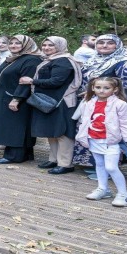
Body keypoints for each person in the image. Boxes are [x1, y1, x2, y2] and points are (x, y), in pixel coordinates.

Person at [73, 34, 127, 168]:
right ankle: (92, 164)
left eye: (109, 43)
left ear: (117, 45)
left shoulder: (126, 62)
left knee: (109, 135)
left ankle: (111, 167)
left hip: (111, 107)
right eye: (101, 42)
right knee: (91, 131)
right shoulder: (92, 60)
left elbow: (126, 86)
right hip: (90, 104)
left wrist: (99, 93)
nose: (104, 45)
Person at [21, 36, 82, 174]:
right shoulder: (50, 60)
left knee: (62, 132)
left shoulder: (63, 61)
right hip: (50, 100)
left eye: (51, 46)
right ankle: (54, 159)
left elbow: (56, 81)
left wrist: (32, 81)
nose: (47, 48)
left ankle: (65, 164)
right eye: (45, 45)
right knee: (52, 132)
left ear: (59, 47)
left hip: (62, 101)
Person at [76, 77, 127, 207]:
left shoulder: (120, 104)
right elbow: (84, 120)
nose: (101, 91)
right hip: (93, 138)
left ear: (115, 89)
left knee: (111, 167)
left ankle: (123, 194)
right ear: (92, 88)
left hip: (111, 140)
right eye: (98, 87)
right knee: (100, 164)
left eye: (106, 88)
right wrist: (82, 134)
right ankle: (103, 189)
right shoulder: (88, 103)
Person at [0, 35, 43, 164]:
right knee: (12, 125)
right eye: (11, 43)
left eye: (17, 43)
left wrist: (17, 98)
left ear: (26, 45)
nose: (13, 45)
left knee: (16, 126)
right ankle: (25, 154)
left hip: (18, 98)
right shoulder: (14, 58)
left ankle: (13, 156)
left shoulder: (31, 60)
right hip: (6, 96)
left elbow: (26, 81)